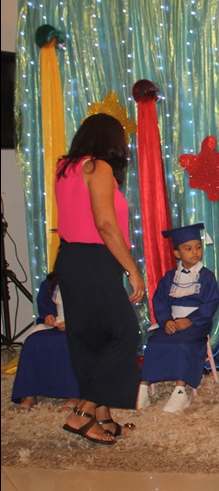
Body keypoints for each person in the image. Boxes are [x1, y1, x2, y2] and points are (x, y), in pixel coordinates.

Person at [54, 112, 143, 445]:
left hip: (70, 259)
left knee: (92, 339)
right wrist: (132, 269)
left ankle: (102, 417)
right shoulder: (99, 167)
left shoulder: (65, 168)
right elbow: (105, 224)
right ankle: (81, 413)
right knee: (124, 333)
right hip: (95, 260)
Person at [138, 223, 219, 414]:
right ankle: (143, 386)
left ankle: (180, 389)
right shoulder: (169, 277)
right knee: (155, 342)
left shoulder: (207, 277)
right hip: (172, 321)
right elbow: (160, 301)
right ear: (177, 253)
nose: (195, 252)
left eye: (198, 247)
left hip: (197, 323)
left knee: (184, 344)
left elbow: (211, 302)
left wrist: (190, 320)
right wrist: (166, 321)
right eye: (188, 248)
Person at [10, 272, 79, 413]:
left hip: (81, 327)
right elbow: (44, 306)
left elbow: (96, 309)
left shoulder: (91, 279)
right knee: (33, 342)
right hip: (56, 326)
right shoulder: (51, 282)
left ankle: (74, 395)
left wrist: (73, 322)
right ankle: (28, 393)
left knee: (66, 344)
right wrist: (48, 317)